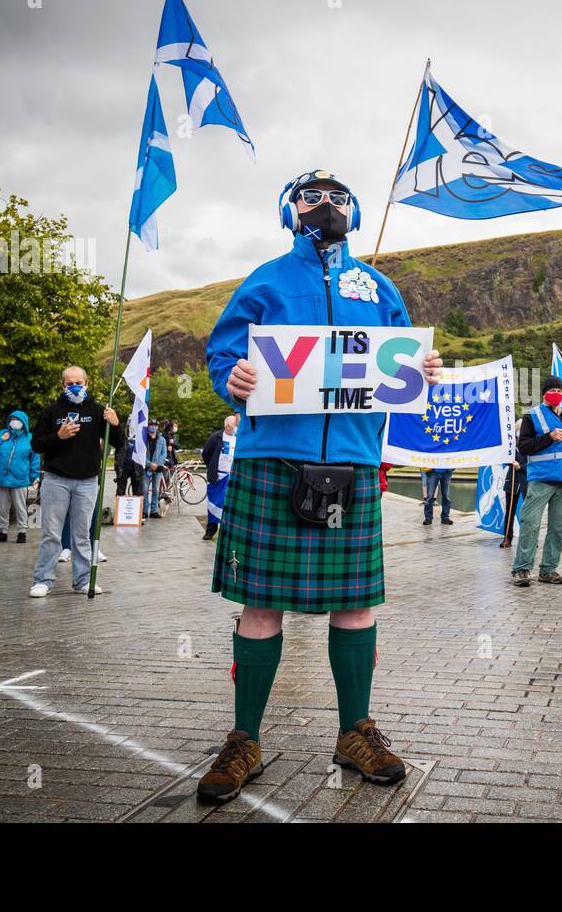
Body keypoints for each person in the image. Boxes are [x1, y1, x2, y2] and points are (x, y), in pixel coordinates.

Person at [198, 168, 442, 802]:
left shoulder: (380, 287)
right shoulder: (266, 280)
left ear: (354, 213)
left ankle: (353, 732)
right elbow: (223, 354)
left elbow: (401, 361)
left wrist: (423, 368)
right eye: (313, 197)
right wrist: (234, 380)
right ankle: (244, 739)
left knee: (355, 604)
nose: (326, 205)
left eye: (338, 198)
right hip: (272, 458)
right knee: (259, 605)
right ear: (290, 210)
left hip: (355, 462)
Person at [28, 366, 121, 598]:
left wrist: (116, 423)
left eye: (79, 382)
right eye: (70, 384)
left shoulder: (100, 411)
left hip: (87, 482)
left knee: (82, 534)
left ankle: (82, 580)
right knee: (51, 533)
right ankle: (43, 580)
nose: (75, 386)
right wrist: (58, 437)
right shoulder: (51, 412)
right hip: (56, 479)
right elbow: (36, 444)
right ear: (63, 386)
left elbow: (119, 443)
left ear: (87, 383)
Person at [510, 375, 562, 587]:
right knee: (530, 524)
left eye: (559, 391)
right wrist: (549, 438)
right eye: (552, 390)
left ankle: (548, 570)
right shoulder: (532, 416)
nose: (556, 394)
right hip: (541, 480)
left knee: (559, 527)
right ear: (544, 394)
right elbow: (524, 447)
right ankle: (522, 569)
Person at [0, 410, 39, 543]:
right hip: (0, 478)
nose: (14, 422)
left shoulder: (30, 438)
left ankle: (22, 532)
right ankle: (2, 532)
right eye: (12, 419)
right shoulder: (2, 434)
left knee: (20, 507)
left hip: (19, 479)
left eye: (18, 419)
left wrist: (34, 476)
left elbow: (35, 459)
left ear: (24, 422)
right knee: (2, 508)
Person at [201, 413, 238, 541]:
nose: (236, 428)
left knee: (230, 505)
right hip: (218, 477)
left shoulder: (238, 438)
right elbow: (206, 454)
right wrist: (212, 467)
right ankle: (210, 530)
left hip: (232, 476)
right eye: (234, 426)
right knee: (214, 503)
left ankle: (228, 530)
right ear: (227, 426)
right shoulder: (216, 438)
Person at [142, 419, 167, 518]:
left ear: (158, 427)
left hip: (158, 468)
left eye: (155, 425)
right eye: (151, 424)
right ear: (148, 426)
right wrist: (149, 464)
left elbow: (163, 454)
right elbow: (141, 453)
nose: (153, 426)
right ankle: (144, 510)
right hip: (146, 468)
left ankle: (153, 511)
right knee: (145, 490)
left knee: (156, 490)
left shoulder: (162, 439)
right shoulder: (144, 438)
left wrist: (156, 464)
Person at [498, 455, 525, 549]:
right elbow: (503, 457)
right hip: (512, 481)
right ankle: (507, 538)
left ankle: (531, 538)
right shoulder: (511, 442)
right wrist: (511, 461)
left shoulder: (532, 440)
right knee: (509, 511)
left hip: (528, 480)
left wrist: (521, 466)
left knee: (531, 513)